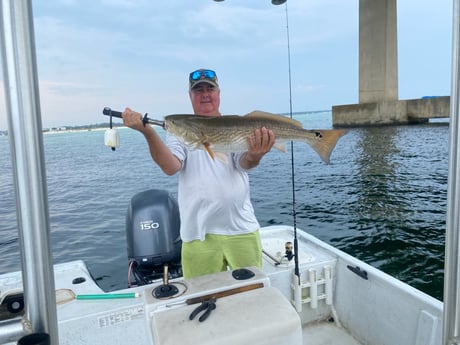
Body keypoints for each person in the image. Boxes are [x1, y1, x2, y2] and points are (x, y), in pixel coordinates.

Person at [122, 68, 275, 279]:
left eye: (209, 89)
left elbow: (244, 163)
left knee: (252, 293)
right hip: (197, 234)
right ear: (190, 96)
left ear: (218, 94)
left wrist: (256, 154)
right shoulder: (181, 129)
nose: (204, 94)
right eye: (198, 90)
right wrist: (148, 132)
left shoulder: (235, 125)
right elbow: (170, 167)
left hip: (241, 228)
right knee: (201, 299)